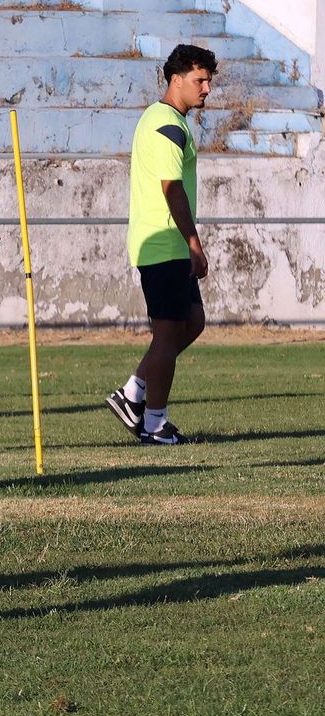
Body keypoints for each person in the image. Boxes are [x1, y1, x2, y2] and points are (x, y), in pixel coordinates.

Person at [105, 44, 215, 445]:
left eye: (208, 81)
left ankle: (132, 393)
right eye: (199, 80)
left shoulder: (170, 120)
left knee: (192, 323)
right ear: (176, 80)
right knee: (168, 333)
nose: (206, 89)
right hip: (164, 244)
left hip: (168, 244)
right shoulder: (166, 124)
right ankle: (154, 423)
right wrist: (193, 241)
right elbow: (171, 189)